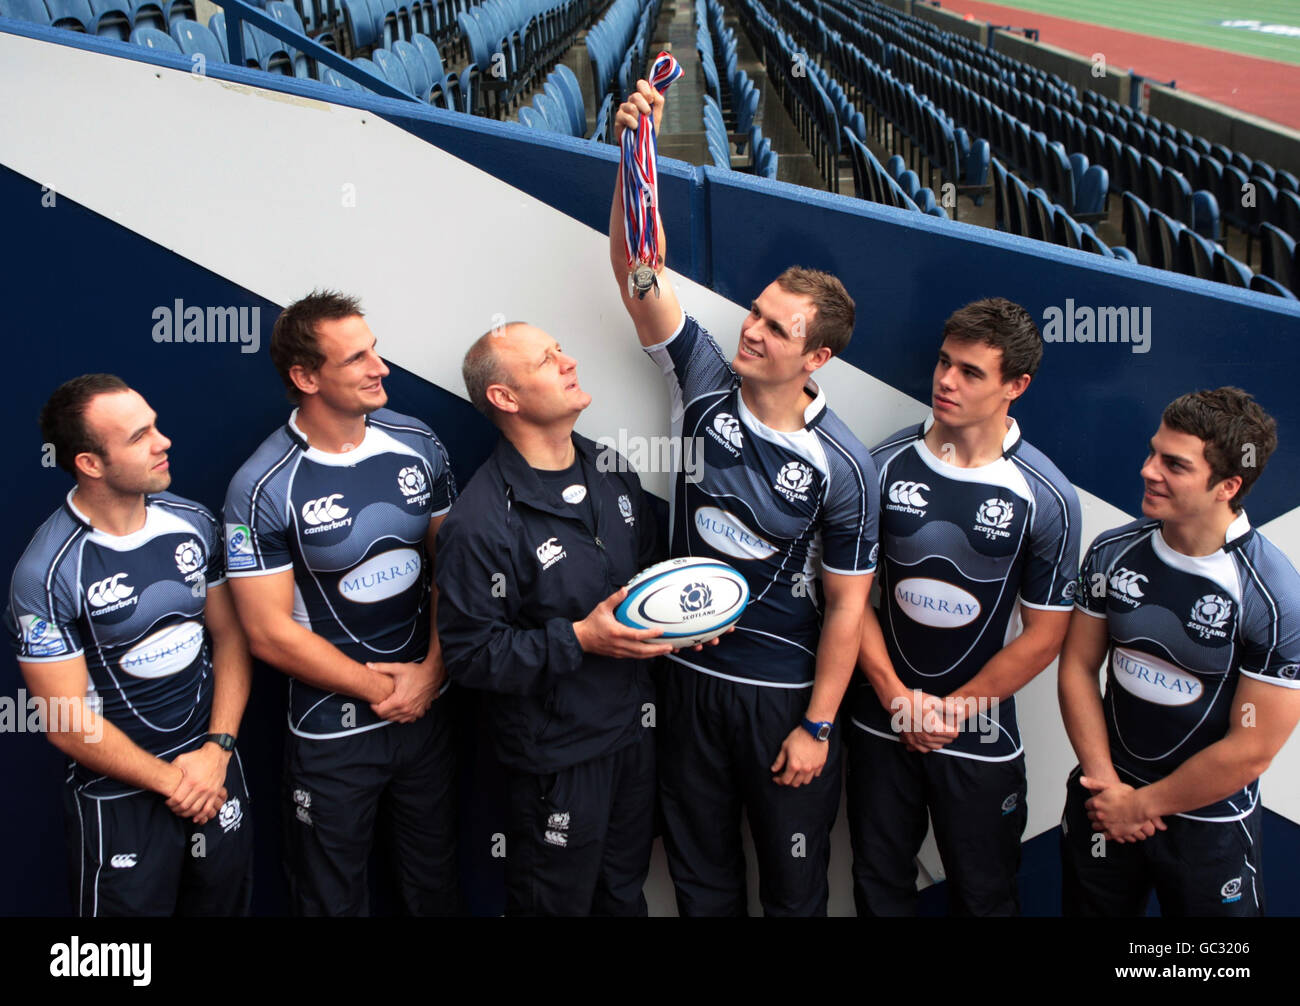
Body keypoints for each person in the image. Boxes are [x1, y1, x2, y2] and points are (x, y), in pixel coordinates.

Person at [609, 82, 878, 916]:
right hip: (685, 677)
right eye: (755, 313)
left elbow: (845, 609)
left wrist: (820, 726)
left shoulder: (845, 465)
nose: (751, 331)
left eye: (775, 327)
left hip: (778, 695)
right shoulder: (700, 383)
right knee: (700, 877)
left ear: (817, 357)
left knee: (794, 889)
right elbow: (635, 271)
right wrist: (631, 158)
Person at [224, 291, 458, 916]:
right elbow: (269, 634)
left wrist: (432, 671)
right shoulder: (262, 486)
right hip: (333, 730)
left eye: (375, 350)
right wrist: (383, 690)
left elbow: (456, 569)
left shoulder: (417, 440)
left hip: (425, 714)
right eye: (357, 358)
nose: (380, 367)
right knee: (331, 903)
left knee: (433, 889)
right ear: (305, 377)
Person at [848, 298, 1081, 916]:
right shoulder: (882, 463)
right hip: (880, 720)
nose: (946, 381)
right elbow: (848, 599)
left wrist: (950, 713)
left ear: (1016, 386)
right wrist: (897, 697)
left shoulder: (1046, 495)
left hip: (978, 736)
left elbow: (1045, 637)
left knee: (985, 899)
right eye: (944, 362)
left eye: (971, 372)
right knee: (876, 889)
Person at [435, 322, 672, 915]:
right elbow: (469, 656)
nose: (568, 362)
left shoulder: (613, 468)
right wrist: (580, 640)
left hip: (632, 738)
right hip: (555, 760)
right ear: (505, 398)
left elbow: (643, 581)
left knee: (624, 896)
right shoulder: (480, 520)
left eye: (562, 349)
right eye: (547, 359)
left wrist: (688, 621)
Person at [6, 374, 253, 916]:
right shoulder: (46, 572)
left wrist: (218, 751)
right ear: (90, 463)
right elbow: (66, 718)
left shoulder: (194, 522)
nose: (163, 442)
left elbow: (232, 637)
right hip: (122, 802)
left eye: (156, 426)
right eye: (140, 436)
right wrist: (177, 781)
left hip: (214, 769)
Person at [1058, 387, 1300, 916]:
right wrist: (1106, 786)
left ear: (1228, 485)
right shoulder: (1113, 550)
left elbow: (1253, 748)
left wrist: (1140, 807)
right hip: (1103, 799)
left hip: (1206, 827)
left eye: (1174, 464)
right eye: (1152, 453)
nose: (1148, 470)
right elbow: (1077, 666)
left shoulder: (1274, 596)